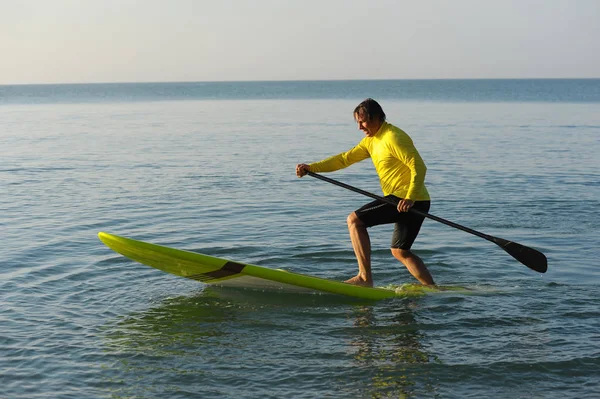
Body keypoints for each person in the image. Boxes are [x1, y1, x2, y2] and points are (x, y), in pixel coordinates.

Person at [296, 98, 434, 287]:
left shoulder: (393, 137)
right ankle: (432, 288)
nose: (360, 127)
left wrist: (409, 197)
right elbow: (344, 159)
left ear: (377, 117)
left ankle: (364, 278)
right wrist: (312, 167)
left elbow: (419, 166)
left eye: (363, 121)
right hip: (417, 200)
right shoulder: (371, 141)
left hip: (407, 198)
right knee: (400, 251)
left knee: (354, 221)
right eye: (358, 122)